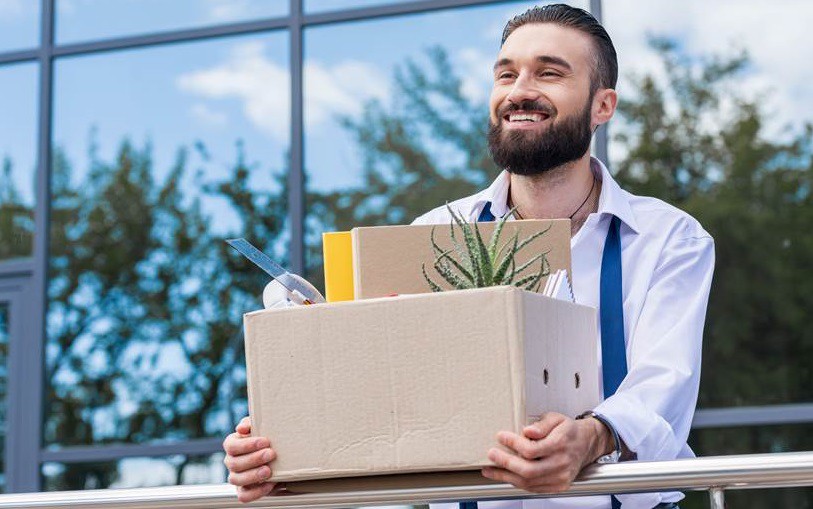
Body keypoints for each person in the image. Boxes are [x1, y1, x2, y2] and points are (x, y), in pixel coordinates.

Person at [221, 5, 715, 509]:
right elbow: (384, 404)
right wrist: (282, 455)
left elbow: (664, 386)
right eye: (506, 74)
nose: (520, 90)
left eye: (549, 72)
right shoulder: (431, 233)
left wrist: (592, 437)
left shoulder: (669, 239)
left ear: (602, 105)